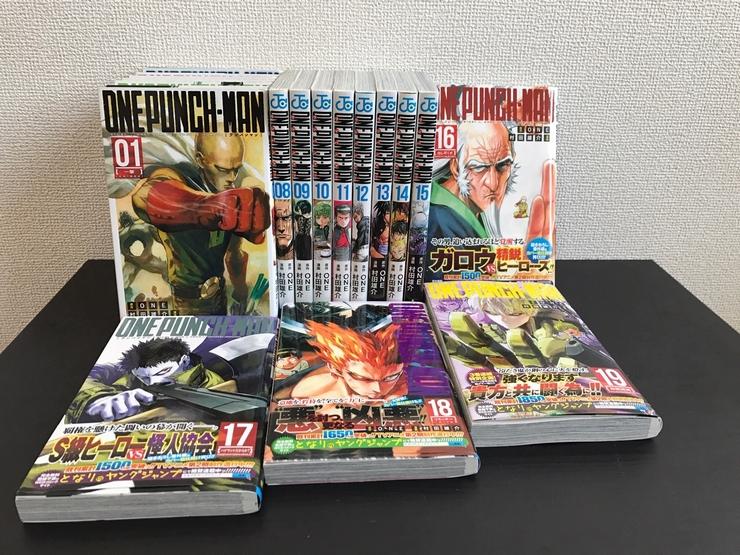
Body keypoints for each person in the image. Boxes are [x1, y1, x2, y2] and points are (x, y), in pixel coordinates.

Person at [131, 133, 270, 315]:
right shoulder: (180, 176)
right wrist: (206, 207)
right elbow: (143, 197)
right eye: (222, 169)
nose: (231, 177)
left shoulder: (233, 192)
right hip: (188, 301)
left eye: (236, 169)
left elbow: (234, 254)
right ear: (200, 160)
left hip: (219, 294)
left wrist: (241, 292)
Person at [66, 338, 226, 423]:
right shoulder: (131, 379)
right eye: (144, 377)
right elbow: (90, 381)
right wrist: (97, 399)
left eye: (163, 372)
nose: (152, 382)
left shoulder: (212, 384)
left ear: (184, 361)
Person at [288, 320, 407, 401]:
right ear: (335, 369)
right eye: (363, 378)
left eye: (390, 377)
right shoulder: (308, 390)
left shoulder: (404, 383)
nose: (378, 389)